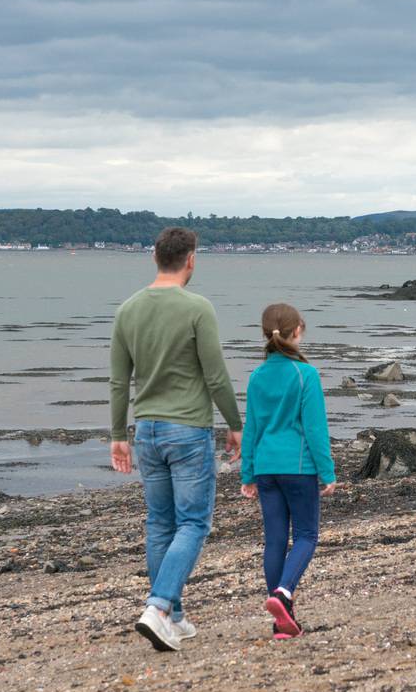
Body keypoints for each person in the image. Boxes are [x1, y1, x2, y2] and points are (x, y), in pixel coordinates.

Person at [109, 227, 243, 652]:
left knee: (160, 523)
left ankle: (176, 616)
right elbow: (215, 374)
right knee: (193, 522)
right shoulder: (197, 308)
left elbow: (118, 381)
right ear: (191, 260)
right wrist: (236, 423)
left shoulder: (128, 309)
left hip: (145, 429)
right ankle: (160, 606)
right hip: (187, 429)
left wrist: (117, 434)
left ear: (155, 258)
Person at [239, 303, 336, 639]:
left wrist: (247, 474)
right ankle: (283, 593)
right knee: (307, 535)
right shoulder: (305, 374)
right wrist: (327, 471)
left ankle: (283, 622)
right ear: (298, 331)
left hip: (266, 468)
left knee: (275, 542)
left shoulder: (257, 376)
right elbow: (315, 428)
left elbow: (251, 428)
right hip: (298, 468)